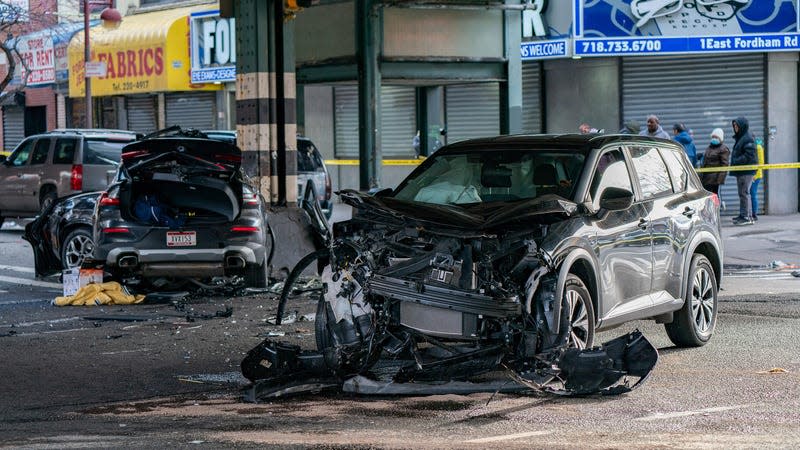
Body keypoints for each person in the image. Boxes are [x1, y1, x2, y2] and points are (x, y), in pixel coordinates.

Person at [730, 117, 758, 226]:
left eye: (737, 126)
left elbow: (749, 155)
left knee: (744, 193)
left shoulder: (747, 138)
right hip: (742, 170)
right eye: (734, 126)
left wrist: (736, 161)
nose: (735, 128)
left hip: (746, 171)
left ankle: (746, 217)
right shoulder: (742, 137)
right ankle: (743, 215)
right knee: (743, 193)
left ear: (742, 126)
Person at [699, 128, 729, 195]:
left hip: (714, 181)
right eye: (713, 137)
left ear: (720, 138)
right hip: (705, 179)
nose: (714, 138)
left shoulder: (723, 149)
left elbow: (724, 165)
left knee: (715, 198)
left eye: (716, 137)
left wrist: (719, 181)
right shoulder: (709, 147)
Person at [750, 137, 765, 221]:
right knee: (752, 194)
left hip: (756, 175)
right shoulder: (754, 146)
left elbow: (760, 163)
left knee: (753, 194)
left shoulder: (758, 147)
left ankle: (754, 214)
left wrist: (754, 175)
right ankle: (752, 213)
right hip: (753, 174)